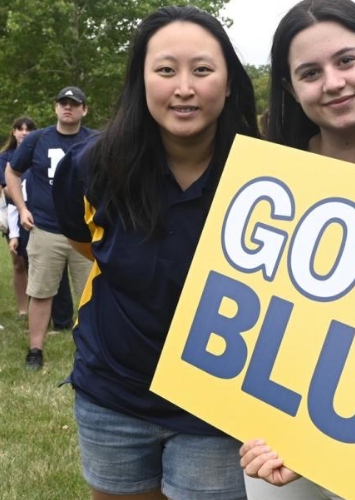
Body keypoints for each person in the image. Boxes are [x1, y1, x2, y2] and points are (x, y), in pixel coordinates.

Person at [51, 5, 259, 500]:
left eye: (202, 70)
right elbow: (89, 244)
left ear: (228, 83)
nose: (183, 87)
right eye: (165, 70)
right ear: (140, 81)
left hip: (217, 408)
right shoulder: (90, 167)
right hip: (113, 395)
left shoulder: (268, 178)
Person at [240, 0, 355, 498]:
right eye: (310, 72)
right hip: (276, 445)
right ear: (290, 89)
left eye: (347, 60)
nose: (333, 82)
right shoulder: (265, 183)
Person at [5, 88, 94, 370]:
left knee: (92, 295)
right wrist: (22, 208)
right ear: (56, 108)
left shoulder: (95, 141)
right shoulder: (37, 139)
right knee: (41, 292)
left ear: (84, 110)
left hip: (85, 233)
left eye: (74, 104)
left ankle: (92, 353)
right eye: (63, 103)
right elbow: (12, 171)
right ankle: (35, 351)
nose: (68, 108)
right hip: (46, 228)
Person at [0, 116, 37, 319]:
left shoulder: (38, 153)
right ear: (13, 132)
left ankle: (37, 307)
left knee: (37, 262)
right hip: (12, 213)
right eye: (20, 128)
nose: (24, 132)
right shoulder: (5, 157)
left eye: (28, 129)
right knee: (18, 262)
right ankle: (23, 309)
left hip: (37, 213)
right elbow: (4, 189)